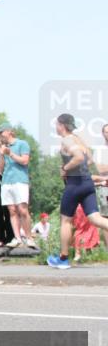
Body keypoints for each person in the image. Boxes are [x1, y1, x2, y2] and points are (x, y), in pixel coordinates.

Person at [47, 114, 108, 269]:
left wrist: (65, 169)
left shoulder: (67, 140)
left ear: (62, 125)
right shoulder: (78, 139)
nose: (55, 127)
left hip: (75, 184)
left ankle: (63, 259)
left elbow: (79, 158)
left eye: (57, 124)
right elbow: (89, 159)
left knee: (65, 220)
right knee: (95, 218)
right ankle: (63, 258)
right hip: (87, 183)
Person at [0, 122, 37, 248]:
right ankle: (17, 237)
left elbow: (24, 161)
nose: (0, 135)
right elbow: (0, 169)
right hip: (6, 182)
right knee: (12, 210)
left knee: (22, 209)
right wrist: (2, 155)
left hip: (20, 180)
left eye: (1, 132)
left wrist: (10, 153)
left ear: (9, 131)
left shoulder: (22, 144)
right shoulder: (3, 147)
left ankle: (29, 237)